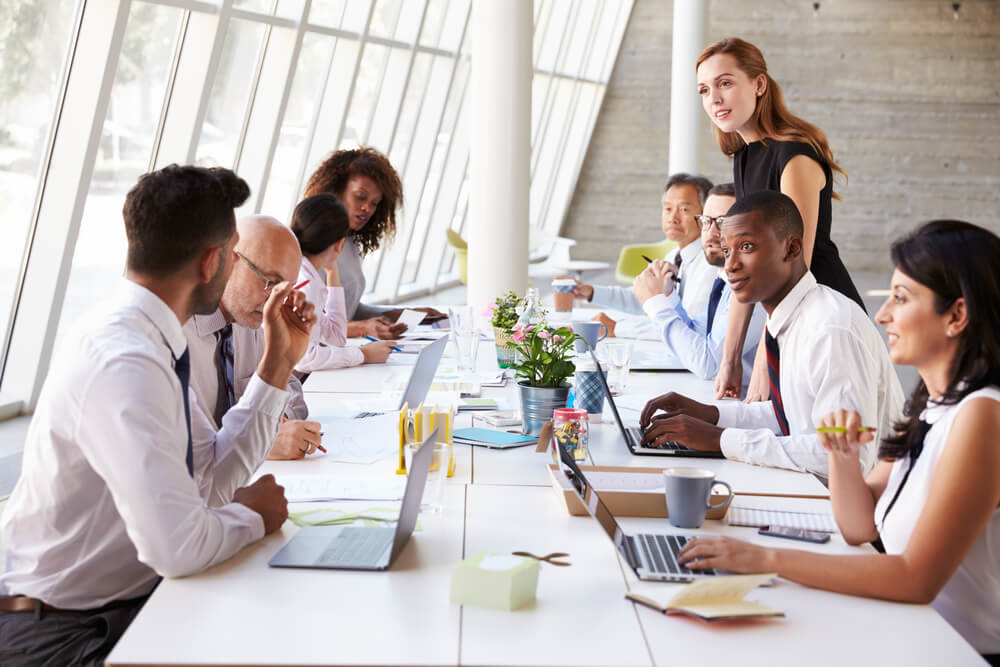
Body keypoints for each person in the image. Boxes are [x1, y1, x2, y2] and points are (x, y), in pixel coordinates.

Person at [0, 165, 314, 665]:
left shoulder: (148, 340)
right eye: (235, 255)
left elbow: (208, 482)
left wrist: (277, 365)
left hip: (116, 606)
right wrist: (253, 514)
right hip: (62, 633)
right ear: (214, 261)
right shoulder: (127, 362)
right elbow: (179, 548)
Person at [676, 220, 1000, 664]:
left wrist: (764, 558)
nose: (883, 315)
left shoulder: (983, 415)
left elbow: (915, 577)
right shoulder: (934, 405)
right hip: (911, 633)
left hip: (957, 650)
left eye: (900, 299)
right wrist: (843, 457)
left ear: (957, 316)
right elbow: (860, 527)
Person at [638, 191, 903, 476]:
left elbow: (845, 453)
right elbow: (791, 414)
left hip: (856, 509)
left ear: (791, 250)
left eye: (747, 246)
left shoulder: (830, 328)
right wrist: (710, 414)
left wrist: (720, 439)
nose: (730, 265)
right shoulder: (790, 318)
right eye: (727, 251)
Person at [695, 37, 864, 402]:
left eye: (725, 83)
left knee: (826, 446)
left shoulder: (795, 155)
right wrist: (729, 359)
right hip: (789, 318)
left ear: (758, 84)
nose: (714, 99)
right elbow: (742, 264)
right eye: (704, 90)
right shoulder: (744, 157)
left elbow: (793, 263)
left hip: (824, 316)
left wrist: (764, 357)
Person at [182, 214, 333, 461]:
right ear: (227, 261)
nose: (277, 299)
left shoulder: (254, 321)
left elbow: (293, 395)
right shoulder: (175, 337)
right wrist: (258, 440)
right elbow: (182, 448)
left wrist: (282, 362)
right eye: (271, 283)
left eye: (287, 288)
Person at [630, 183, 765, 391]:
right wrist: (667, 295)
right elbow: (697, 334)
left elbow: (709, 365)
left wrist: (654, 303)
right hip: (718, 396)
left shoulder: (754, 287)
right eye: (706, 221)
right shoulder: (724, 280)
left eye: (722, 222)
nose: (711, 232)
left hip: (749, 409)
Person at [303, 147, 445, 339]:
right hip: (314, 364)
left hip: (341, 354)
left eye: (374, 203)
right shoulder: (312, 246)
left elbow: (349, 309)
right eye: (360, 197)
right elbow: (309, 326)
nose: (367, 208)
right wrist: (363, 329)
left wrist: (398, 315)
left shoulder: (349, 243)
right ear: (335, 192)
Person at [573, 173, 719, 321]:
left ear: (706, 215)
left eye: (684, 210)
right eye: (668, 209)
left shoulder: (711, 264)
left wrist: (618, 328)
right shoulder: (674, 256)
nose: (673, 218)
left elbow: (688, 324)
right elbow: (645, 298)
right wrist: (592, 292)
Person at [289, 194, 397, 374]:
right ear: (340, 244)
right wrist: (363, 354)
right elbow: (305, 358)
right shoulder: (304, 284)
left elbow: (337, 336)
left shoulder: (306, 275)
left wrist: (333, 271)